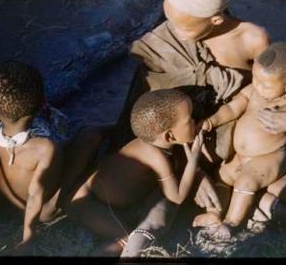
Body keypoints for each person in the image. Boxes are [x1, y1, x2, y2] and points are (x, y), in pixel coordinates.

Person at [128, 0, 286, 228]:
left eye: (184, 27)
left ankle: (246, 204)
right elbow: (151, 116)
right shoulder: (165, 43)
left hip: (240, 153)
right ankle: (240, 206)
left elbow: (279, 86)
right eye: (168, 19)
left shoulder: (253, 39)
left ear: (216, 19)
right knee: (163, 204)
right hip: (183, 148)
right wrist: (194, 171)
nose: (174, 31)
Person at [0, 60, 102, 254]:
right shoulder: (44, 148)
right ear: (42, 103)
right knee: (91, 136)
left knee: (67, 146)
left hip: (11, 201)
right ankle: (66, 195)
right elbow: (35, 195)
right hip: (45, 210)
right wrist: (27, 239)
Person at [194, 42, 286, 238]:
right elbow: (232, 108)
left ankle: (231, 223)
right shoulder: (253, 90)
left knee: (245, 182)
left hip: (267, 158)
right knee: (222, 178)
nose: (258, 86)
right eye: (255, 78)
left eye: (265, 85)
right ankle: (214, 214)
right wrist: (211, 121)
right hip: (239, 156)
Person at [66, 89, 210, 257]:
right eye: (189, 120)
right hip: (86, 202)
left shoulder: (153, 146)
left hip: (109, 201)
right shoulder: (155, 156)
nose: (194, 121)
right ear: (169, 136)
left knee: (135, 232)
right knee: (127, 239)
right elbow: (176, 196)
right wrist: (193, 161)